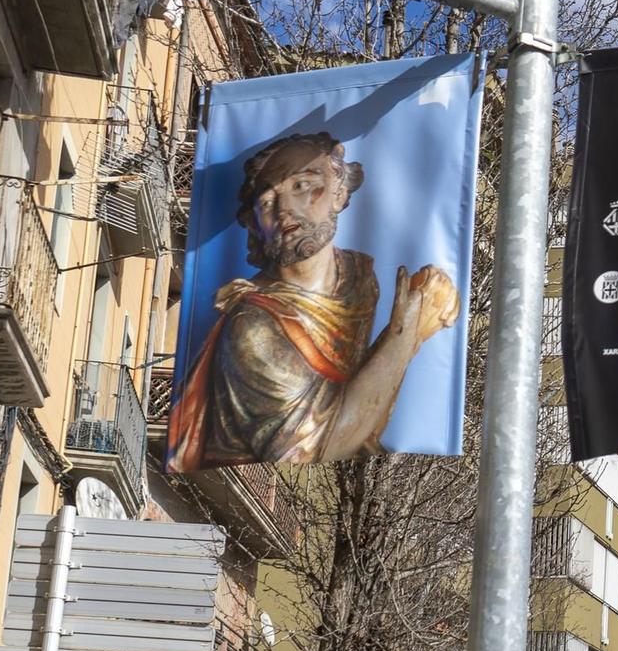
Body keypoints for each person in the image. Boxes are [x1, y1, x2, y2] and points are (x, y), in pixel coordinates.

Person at [167, 131, 463, 469]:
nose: (285, 210)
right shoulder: (252, 327)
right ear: (255, 225)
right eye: (266, 202)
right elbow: (322, 446)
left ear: (339, 192)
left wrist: (412, 319)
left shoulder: (358, 278)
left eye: (303, 186)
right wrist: (407, 333)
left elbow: (359, 395)